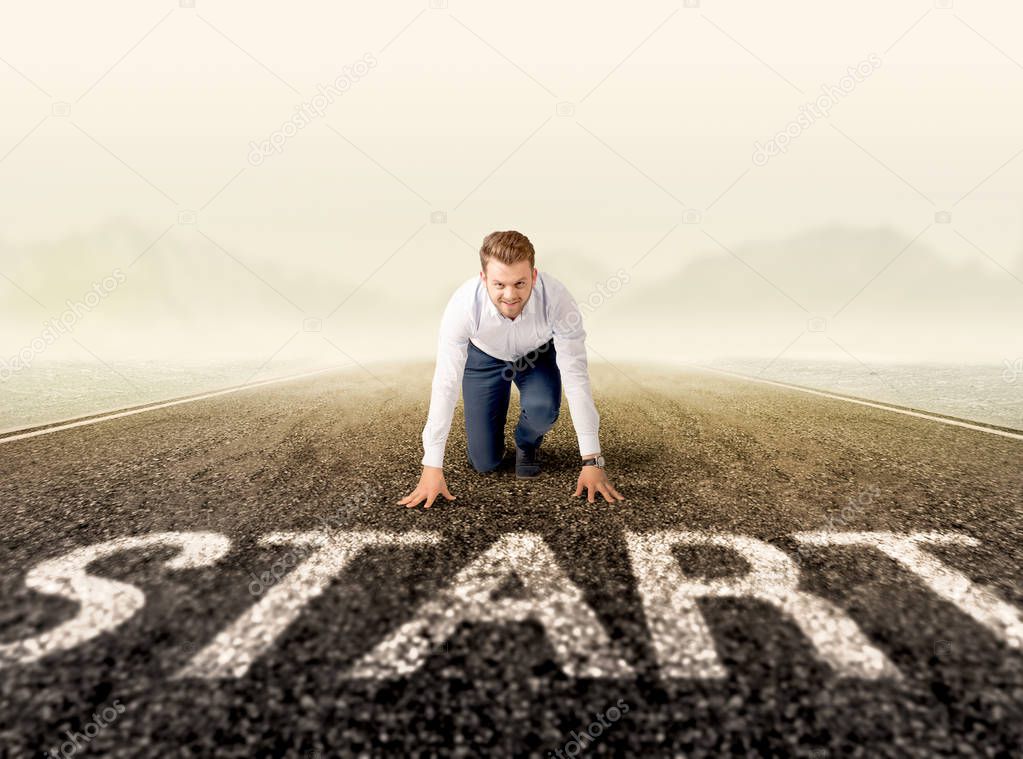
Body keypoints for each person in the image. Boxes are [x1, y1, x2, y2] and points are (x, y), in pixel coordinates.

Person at [397, 230, 625, 509]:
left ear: (534, 275)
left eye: (520, 283)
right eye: (499, 284)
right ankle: (489, 445)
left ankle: (526, 443)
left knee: (543, 410)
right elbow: (446, 383)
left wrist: (592, 459)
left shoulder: (559, 301)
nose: (510, 295)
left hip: (537, 355)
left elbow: (576, 378)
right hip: (484, 356)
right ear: (484, 279)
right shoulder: (463, 306)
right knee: (483, 462)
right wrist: (432, 464)